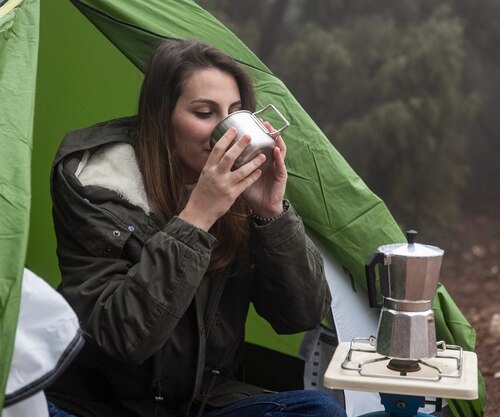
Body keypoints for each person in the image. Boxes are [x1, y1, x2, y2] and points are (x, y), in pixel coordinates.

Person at [45, 38, 345, 417]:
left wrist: (271, 214)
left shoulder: (241, 186)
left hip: (203, 401)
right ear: (161, 119)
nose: (229, 132)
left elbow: (300, 315)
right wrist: (197, 216)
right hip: (98, 404)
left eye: (236, 112)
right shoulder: (97, 187)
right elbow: (126, 337)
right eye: (204, 113)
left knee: (318, 410)